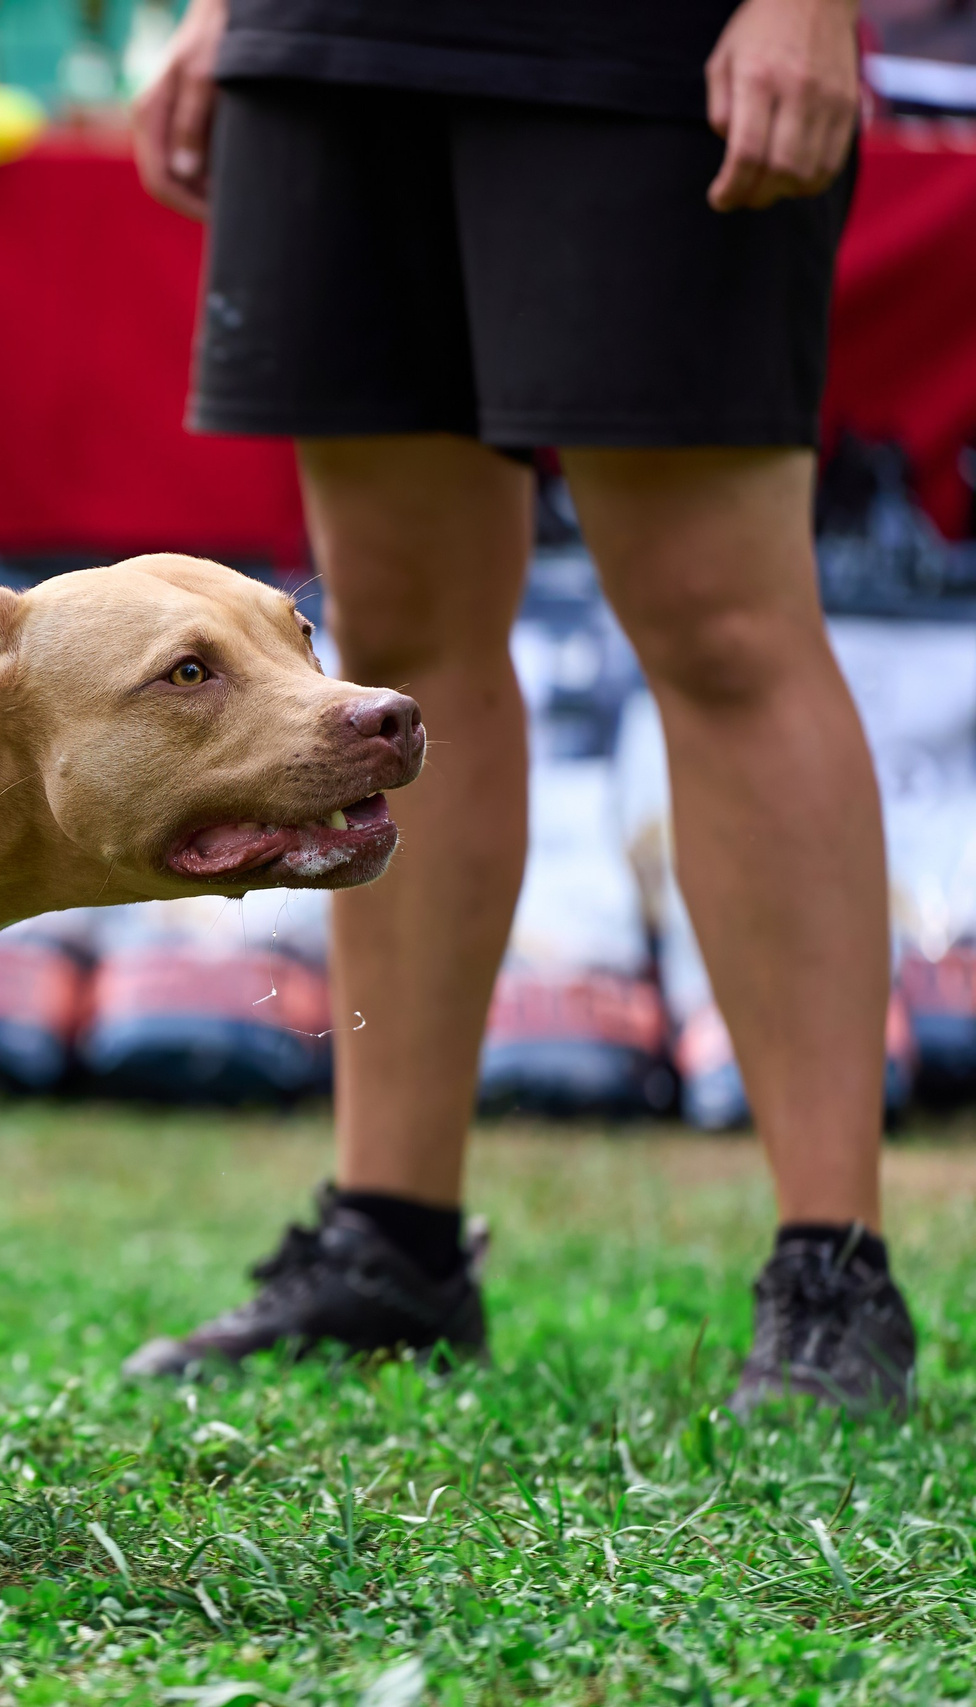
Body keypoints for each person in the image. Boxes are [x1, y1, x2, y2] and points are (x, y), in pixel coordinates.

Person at [125, 0, 917, 1410]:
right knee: (393, 630)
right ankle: (393, 1242)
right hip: (333, 38)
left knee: (722, 625)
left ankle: (832, 1273)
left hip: (637, 40)